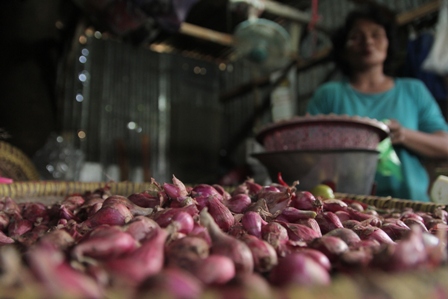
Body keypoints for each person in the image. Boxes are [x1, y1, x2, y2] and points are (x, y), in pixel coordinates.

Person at [306, 4, 448, 201]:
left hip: (411, 207)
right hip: (346, 209)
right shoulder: (328, 95)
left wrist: (403, 135)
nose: (367, 42)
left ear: (389, 42)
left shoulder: (413, 91)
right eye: (356, 36)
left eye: (376, 34)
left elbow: (445, 145)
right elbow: (306, 151)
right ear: (344, 48)